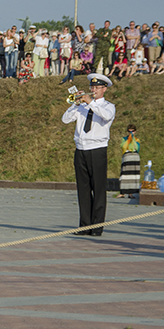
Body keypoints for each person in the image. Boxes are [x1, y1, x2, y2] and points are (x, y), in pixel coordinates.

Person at [61, 73, 116, 236]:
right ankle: (84, 226)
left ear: (104, 89)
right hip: (81, 149)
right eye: (92, 87)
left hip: (97, 150)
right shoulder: (82, 107)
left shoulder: (108, 106)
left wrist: (90, 102)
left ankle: (97, 227)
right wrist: (76, 104)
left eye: (97, 87)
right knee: (83, 190)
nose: (93, 90)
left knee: (98, 189)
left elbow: (106, 116)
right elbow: (65, 119)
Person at [119, 124, 140, 198]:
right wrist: (128, 140)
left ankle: (131, 193)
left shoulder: (137, 140)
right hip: (127, 156)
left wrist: (133, 139)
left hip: (134, 157)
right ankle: (122, 192)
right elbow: (123, 147)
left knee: (133, 175)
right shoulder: (124, 139)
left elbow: (137, 148)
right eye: (129, 131)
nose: (131, 132)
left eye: (132, 131)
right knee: (124, 175)